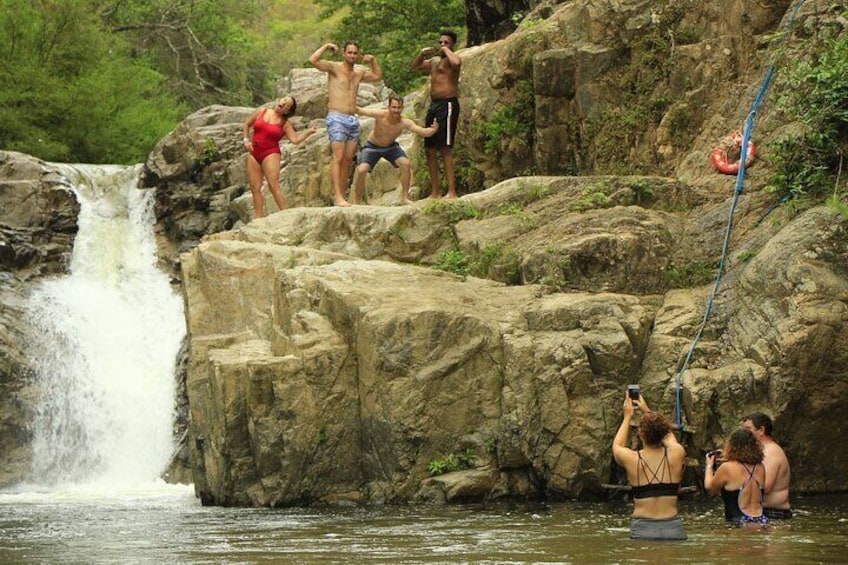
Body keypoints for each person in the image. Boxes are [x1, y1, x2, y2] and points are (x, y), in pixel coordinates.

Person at [309, 40, 383, 207]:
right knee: (339, 156)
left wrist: (372, 61)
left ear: (358, 55)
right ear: (344, 53)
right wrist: (327, 46)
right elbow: (313, 60)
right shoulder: (334, 68)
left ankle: (341, 196)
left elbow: (378, 76)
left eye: (355, 53)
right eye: (349, 52)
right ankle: (338, 197)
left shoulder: (359, 73)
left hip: (352, 119)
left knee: (348, 159)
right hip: (336, 117)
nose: (352, 55)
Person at [612, 390, 687, 540]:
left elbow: (617, 446)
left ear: (641, 434)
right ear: (663, 433)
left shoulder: (631, 458)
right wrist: (647, 411)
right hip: (673, 528)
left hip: (643, 528)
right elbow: (669, 436)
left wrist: (627, 417)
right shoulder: (677, 453)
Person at [352, 94, 438, 205]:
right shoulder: (380, 115)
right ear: (388, 107)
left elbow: (422, 131)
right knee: (362, 170)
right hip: (372, 146)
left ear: (402, 108)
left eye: (399, 108)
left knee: (406, 164)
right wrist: (350, 104)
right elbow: (361, 111)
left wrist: (432, 130)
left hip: (391, 147)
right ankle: (357, 201)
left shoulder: (404, 122)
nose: (396, 110)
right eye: (393, 107)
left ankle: (405, 198)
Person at [242, 96, 317, 219]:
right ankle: (258, 219)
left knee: (274, 186)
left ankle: (286, 215)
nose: (284, 103)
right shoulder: (262, 111)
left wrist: (309, 132)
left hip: (270, 153)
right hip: (254, 152)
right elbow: (247, 124)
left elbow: (295, 140)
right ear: (279, 100)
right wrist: (246, 141)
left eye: (287, 105)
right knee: (254, 188)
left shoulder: (285, 123)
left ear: (287, 111)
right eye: (284, 100)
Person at [411, 30, 462, 200]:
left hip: (448, 104)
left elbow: (456, 62)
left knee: (445, 148)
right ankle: (435, 192)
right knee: (430, 148)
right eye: (440, 42)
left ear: (452, 44)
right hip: (433, 106)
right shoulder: (433, 62)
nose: (442, 45)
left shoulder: (452, 59)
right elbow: (415, 67)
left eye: (446, 42)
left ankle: (452, 192)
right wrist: (422, 54)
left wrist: (447, 50)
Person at [704, 428, 768, 525]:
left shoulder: (727, 468)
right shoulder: (760, 467)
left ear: (731, 446)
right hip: (761, 520)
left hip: (739, 522)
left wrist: (709, 466)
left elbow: (710, 489)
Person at [742, 412, 792, 519]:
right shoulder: (760, 451)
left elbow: (765, 487)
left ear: (761, 430)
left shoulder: (770, 452)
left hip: (774, 513)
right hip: (761, 511)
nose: (744, 434)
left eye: (748, 429)